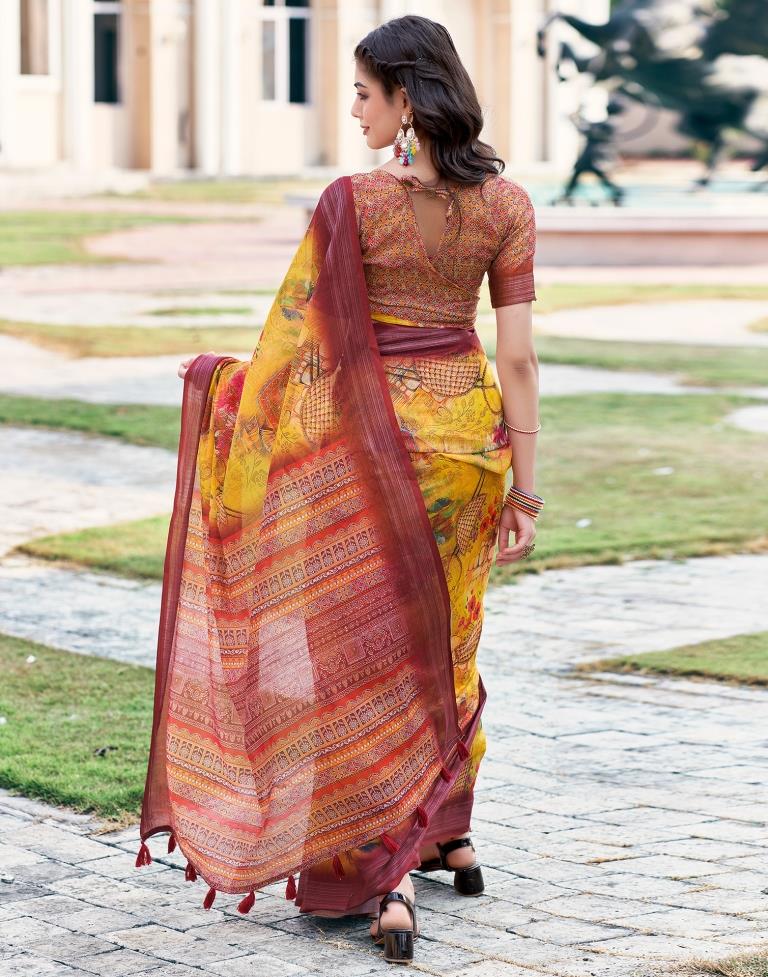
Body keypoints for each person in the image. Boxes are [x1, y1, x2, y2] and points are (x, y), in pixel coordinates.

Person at [137, 14, 541, 968]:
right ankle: (451, 832)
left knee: (362, 656)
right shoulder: (509, 206)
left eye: (363, 93)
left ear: (406, 99)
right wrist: (527, 484)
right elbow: (517, 357)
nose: (354, 109)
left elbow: (298, 352)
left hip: (368, 453)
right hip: (467, 453)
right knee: (448, 636)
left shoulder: (350, 202)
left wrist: (224, 391)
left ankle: (384, 876)